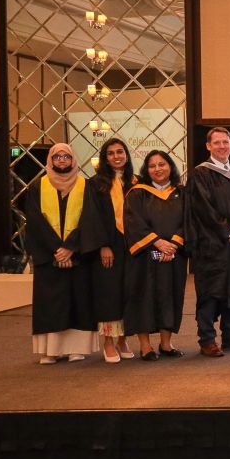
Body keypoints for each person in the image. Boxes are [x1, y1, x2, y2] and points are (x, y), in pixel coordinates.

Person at [27, 143, 106, 364]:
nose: (62, 160)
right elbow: (35, 222)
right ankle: (50, 351)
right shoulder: (38, 186)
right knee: (50, 303)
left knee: (78, 302)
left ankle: (76, 349)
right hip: (49, 256)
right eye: (57, 157)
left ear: (73, 160)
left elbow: (90, 219)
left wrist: (71, 247)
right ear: (50, 160)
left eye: (66, 156)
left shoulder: (85, 186)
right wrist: (57, 250)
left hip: (78, 256)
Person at [184, 127, 230, 357]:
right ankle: (207, 339)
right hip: (212, 244)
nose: (222, 146)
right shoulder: (200, 174)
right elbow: (203, 209)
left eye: (225, 142)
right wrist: (229, 231)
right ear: (208, 146)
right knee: (211, 292)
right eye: (217, 142)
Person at [123, 150, 188, 360]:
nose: (158, 169)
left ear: (170, 166)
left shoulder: (182, 193)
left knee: (171, 295)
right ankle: (145, 346)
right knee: (144, 296)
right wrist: (158, 243)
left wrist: (173, 245)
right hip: (145, 256)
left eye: (162, 164)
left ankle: (166, 344)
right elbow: (133, 222)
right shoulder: (137, 193)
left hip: (174, 255)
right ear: (146, 169)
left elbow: (188, 221)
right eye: (152, 166)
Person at [87, 137, 136, 363]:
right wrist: (103, 245)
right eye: (111, 153)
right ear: (105, 158)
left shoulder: (135, 181)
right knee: (109, 293)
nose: (116, 156)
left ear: (126, 154)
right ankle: (108, 341)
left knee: (128, 291)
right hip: (109, 245)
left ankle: (123, 339)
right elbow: (92, 217)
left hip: (132, 245)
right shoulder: (96, 184)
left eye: (120, 152)